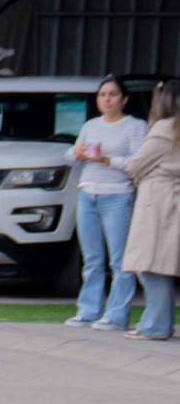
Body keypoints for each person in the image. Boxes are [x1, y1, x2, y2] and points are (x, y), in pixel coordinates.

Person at [67, 77, 147, 328]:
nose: (107, 99)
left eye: (113, 94)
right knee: (92, 258)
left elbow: (137, 162)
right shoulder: (91, 125)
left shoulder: (135, 126)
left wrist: (105, 159)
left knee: (119, 259)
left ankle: (116, 314)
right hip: (87, 192)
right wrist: (77, 152)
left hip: (117, 194)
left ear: (124, 99)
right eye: (102, 95)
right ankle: (88, 310)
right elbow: (70, 157)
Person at [118, 82, 180, 341]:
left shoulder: (165, 128)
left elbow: (135, 164)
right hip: (169, 198)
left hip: (158, 200)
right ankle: (158, 322)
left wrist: (148, 171)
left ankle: (156, 325)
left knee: (150, 263)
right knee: (160, 263)